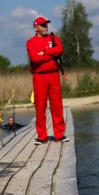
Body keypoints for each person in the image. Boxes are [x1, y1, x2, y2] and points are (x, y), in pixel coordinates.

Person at [26, 16, 67, 144]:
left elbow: (59, 50)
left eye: (46, 25)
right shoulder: (30, 42)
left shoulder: (53, 38)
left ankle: (59, 134)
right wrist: (50, 53)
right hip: (39, 76)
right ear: (36, 27)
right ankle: (42, 135)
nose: (46, 27)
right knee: (40, 105)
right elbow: (34, 58)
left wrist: (43, 53)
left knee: (57, 105)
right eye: (43, 25)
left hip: (54, 75)